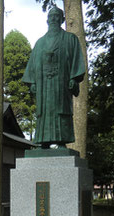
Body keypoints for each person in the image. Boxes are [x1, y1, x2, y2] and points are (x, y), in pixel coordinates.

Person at [22, 6, 85, 148]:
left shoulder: (70, 39)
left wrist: (74, 79)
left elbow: (76, 61)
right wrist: (32, 81)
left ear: (62, 19)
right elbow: (32, 65)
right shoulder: (39, 43)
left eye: (57, 16)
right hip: (43, 85)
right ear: (47, 20)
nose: (54, 18)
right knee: (44, 111)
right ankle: (44, 142)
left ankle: (62, 141)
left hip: (61, 84)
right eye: (51, 16)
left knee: (61, 110)